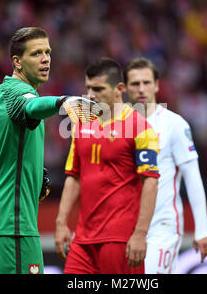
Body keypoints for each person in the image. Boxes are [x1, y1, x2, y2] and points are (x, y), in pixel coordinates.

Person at [0, 27, 92, 274]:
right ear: (17, 62)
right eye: (36, 54)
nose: (45, 59)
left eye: (47, 52)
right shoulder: (18, 93)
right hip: (12, 222)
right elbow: (31, 107)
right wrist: (62, 102)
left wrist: (24, 172)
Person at [54, 57, 160, 274]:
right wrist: (61, 222)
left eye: (98, 88)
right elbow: (74, 176)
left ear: (119, 89)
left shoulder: (140, 127)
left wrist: (140, 233)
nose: (91, 95)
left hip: (120, 239)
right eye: (88, 88)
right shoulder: (82, 122)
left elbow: (150, 182)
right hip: (83, 240)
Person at [124, 57, 207, 274]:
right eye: (135, 84)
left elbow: (192, 175)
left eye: (146, 82)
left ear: (157, 85)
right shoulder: (117, 124)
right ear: (124, 87)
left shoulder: (174, 124)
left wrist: (202, 229)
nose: (141, 88)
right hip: (124, 226)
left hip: (162, 226)